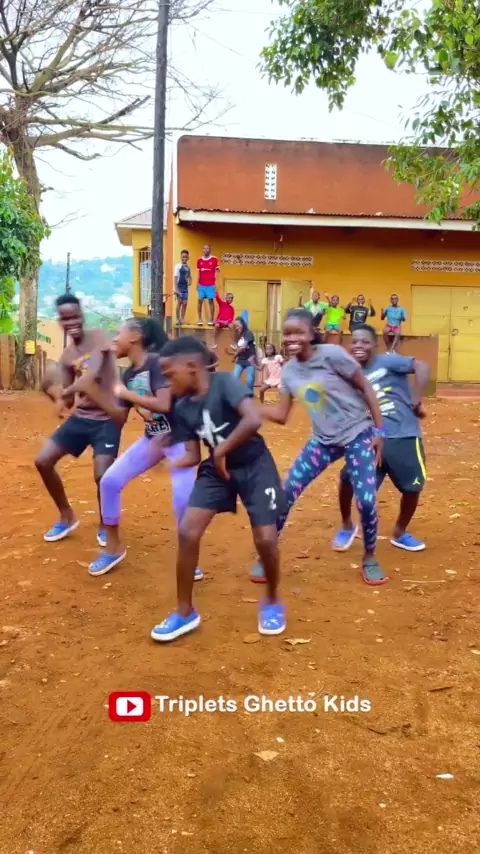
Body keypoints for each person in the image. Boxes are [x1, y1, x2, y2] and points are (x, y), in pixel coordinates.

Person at [149, 336, 286, 642]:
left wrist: (222, 449)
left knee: (266, 539)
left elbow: (253, 419)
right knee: (188, 531)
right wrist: (167, 461)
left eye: (169, 375)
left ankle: (272, 599)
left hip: (254, 463)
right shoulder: (182, 407)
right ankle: (184, 611)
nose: (167, 382)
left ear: (192, 366)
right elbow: (193, 455)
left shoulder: (225, 382)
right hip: (216, 470)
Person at [249, 308, 387, 587]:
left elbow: (365, 388)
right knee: (286, 493)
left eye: (298, 332)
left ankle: (369, 557)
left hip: (358, 434)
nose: (291, 339)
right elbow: (282, 415)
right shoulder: (289, 371)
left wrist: (379, 431)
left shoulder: (332, 355)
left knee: (366, 501)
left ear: (312, 334)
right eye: (287, 334)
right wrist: (251, 408)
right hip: (323, 441)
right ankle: (267, 554)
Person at [87, 317, 203, 579]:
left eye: (118, 333)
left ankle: (189, 558)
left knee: (183, 499)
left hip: (179, 440)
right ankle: (113, 548)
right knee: (109, 482)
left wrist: (125, 394)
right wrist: (98, 391)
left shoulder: (157, 364)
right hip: (153, 440)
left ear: (135, 337)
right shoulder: (128, 375)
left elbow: (164, 404)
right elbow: (119, 417)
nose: (114, 339)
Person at [334, 325, 429, 553]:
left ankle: (400, 532)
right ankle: (347, 525)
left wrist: (416, 400)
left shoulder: (388, 361)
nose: (359, 346)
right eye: (355, 341)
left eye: (365, 342)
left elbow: (422, 366)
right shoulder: (350, 373)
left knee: (412, 488)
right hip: (370, 438)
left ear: (375, 345)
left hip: (403, 436)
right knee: (347, 478)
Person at [35, 294, 121, 547]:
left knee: (102, 474)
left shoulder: (99, 337)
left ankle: (106, 524)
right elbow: (69, 400)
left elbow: (90, 375)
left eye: (75, 316)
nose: (71, 322)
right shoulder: (67, 356)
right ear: (60, 322)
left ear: (82, 316)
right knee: (43, 461)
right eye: (65, 318)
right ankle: (67, 515)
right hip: (82, 417)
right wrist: (50, 390)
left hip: (108, 417)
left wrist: (64, 392)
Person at [229, 316, 257, 396]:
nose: (237, 327)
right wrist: (234, 353)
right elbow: (238, 348)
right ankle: (236, 394)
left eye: (238, 325)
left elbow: (244, 346)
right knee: (235, 377)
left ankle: (249, 395)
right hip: (241, 360)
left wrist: (235, 355)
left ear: (243, 324)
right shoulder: (238, 335)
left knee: (249, 380)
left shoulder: (248, 333)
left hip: (250, 360)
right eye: (235, 326)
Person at [197, 245, 219, 327]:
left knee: (210, 301)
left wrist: (215, 281)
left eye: (207, 248)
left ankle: (211, 319)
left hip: (210, 284)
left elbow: (217, 271)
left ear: (210, 250)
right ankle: (200, 319)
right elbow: (198, 273)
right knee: (200, 300)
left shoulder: (214, 259)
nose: (206, 250)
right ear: (203, 250)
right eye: (204, 248)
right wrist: (197, 284)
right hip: (201, 284)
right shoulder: (199, 260)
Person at [174, 250, 192, 326]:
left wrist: (190, 282)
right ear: (181, 257)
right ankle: (178, 319)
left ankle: (182, 319)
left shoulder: (188, 267)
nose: (184, 258)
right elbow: (175, 277)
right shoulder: (178, 266)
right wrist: (176, 289)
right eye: (183, 257)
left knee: (185, 303)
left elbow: (190, 277)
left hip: (185, 288)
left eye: (185, 257)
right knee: (179, 303)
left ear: (188, 258)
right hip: (179, 287)